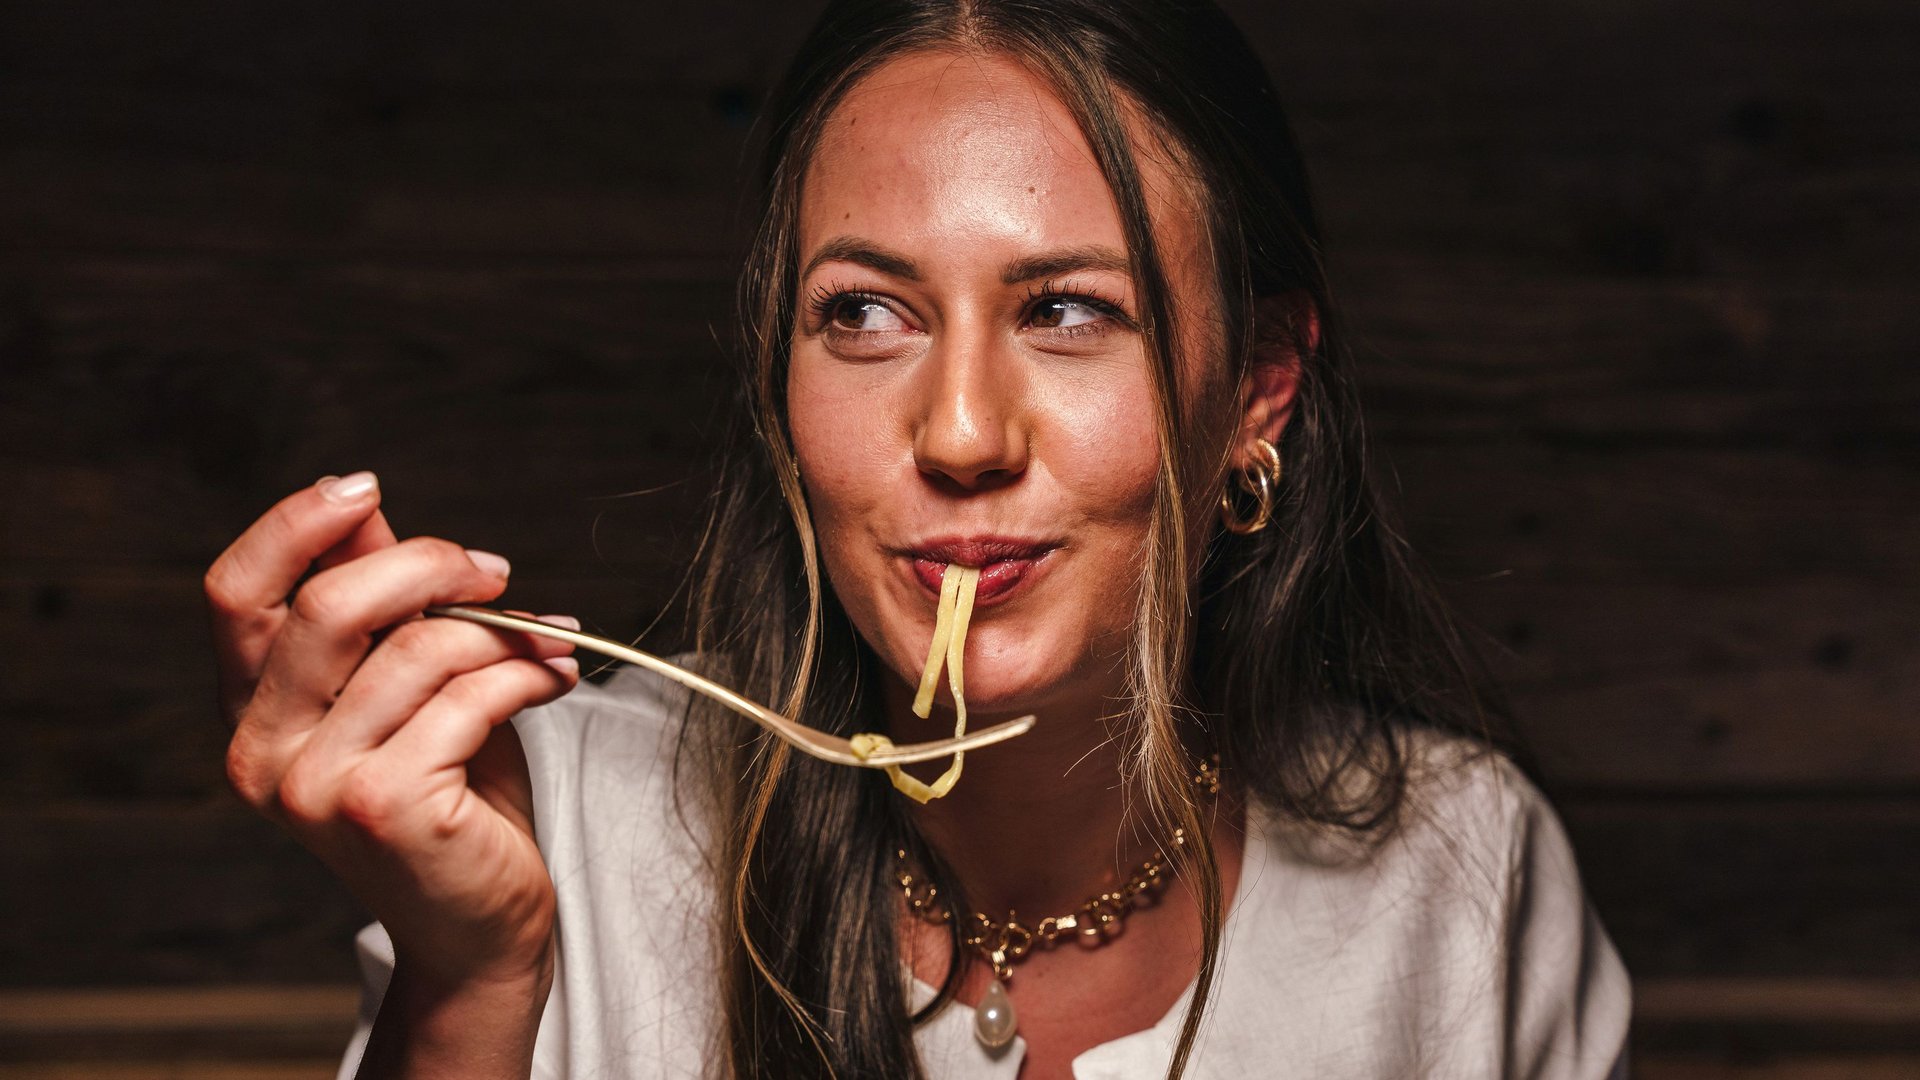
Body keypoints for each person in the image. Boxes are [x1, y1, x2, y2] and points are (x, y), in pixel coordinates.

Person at [204, 1, 1632, 1076]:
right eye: (865, 314)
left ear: (1256, 390)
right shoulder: (548, 823)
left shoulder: (1461, 864)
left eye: (1070, 311)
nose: (958, 434)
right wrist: (468, 980)